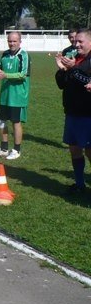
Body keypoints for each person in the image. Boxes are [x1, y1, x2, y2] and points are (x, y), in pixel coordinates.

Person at [55, 28, 91, 194]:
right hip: (72, 112)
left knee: (89, 151)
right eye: (75, 41)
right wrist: (62, 69)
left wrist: (73, 68)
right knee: (74, 149)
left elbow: (87, 81)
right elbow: (61, 84)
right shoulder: (73, 58)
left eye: (80, 41)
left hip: (88, 113)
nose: (76, 44)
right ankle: (79, 183)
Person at [0, 32, 30, 160]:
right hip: (5, 95)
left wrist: (5, 75)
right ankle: (4, 148)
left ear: (20, 41)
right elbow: (0, 68)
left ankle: (16, 150)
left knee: (15, 122)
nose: (12, 43)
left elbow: (23, 74)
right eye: (10, 41)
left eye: (14, 41)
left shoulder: (23, 55)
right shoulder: (5, 54)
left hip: (18, 96)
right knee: (1, 121)